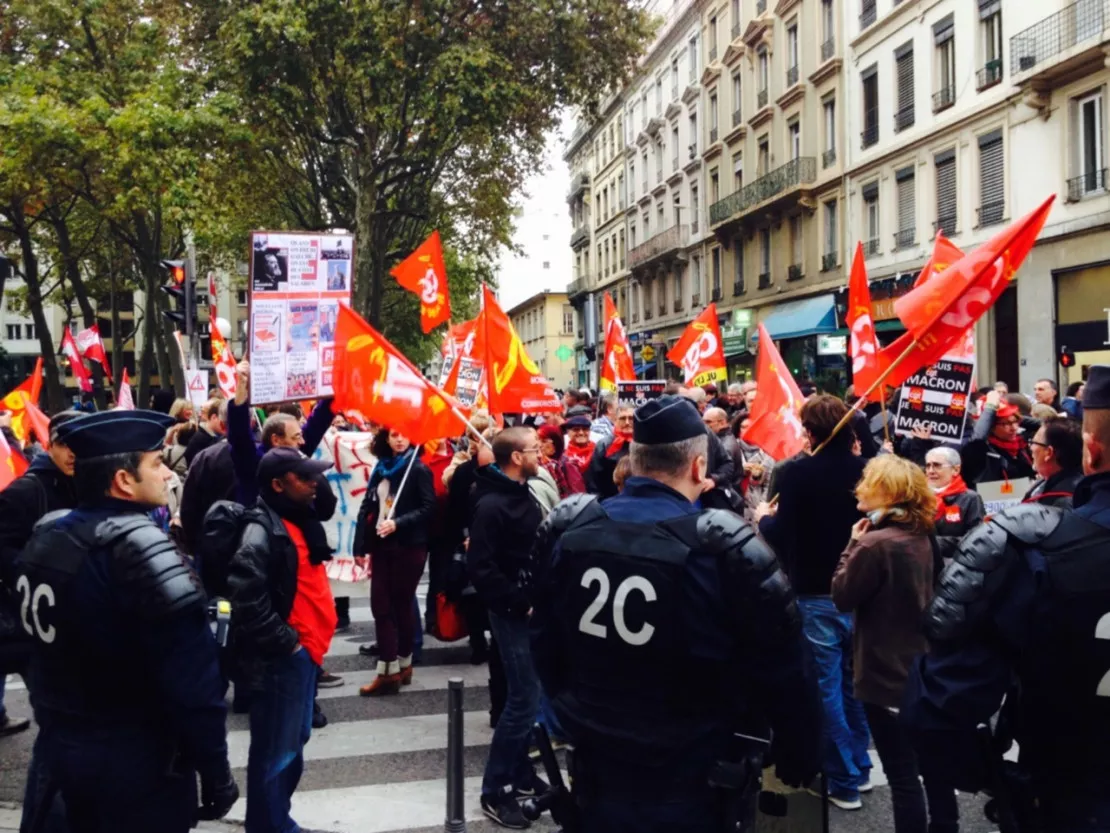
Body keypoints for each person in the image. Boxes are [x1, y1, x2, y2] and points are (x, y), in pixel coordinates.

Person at [531, 395, 822, 833]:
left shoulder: (574, 530)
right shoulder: (721, 548)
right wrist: (800, 751)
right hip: (689, 771)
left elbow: (544, 640)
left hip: (597, 758)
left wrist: (575, 709)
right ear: (698, 468)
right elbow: (784, 666)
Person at [904, 364, 1110, 831]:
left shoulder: (1032, 547)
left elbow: (937, 710)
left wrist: (998, 777)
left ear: (1090, 451)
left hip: (1067, 792)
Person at [14, 410, 237, 833]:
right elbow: (195, 689)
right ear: (122, 481)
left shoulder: (47, 535)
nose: (168, 477)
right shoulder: (142, 552)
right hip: (134, 768)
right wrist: (215, 771)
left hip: (59, 752)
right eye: (155, 464)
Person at [754, 395, 871, 810]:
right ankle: (859, 764)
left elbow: (781, 534)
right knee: (853, 686)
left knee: (826, 689)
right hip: (859, 593)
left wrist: (763, 518)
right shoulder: (867, 471)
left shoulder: (799, 475)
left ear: (810, 431)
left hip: (816, 592)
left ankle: (844, 779)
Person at [831, 456, 958, 833]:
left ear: (887, 490)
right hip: (925, 667)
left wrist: (851, 545)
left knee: (902, 774)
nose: (860, 487)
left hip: (883, 671)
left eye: (868, 481)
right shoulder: (923, 534)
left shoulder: (873, 544)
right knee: (933, 767)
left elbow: (841, 595)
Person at [227, 447, 336, 833]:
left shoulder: (297, 516)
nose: (313, 484)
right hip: (285, 657)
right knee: (278, 751)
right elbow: (244, 594)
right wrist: (286, 641)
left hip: (305, 652)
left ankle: (273, 821)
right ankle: (269, 827)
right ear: (277, 484)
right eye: (304, 478)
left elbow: (325, 499)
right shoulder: (261, 528)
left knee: (293, 743)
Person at [468, 427, 548, 828]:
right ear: (516, 458)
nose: (541, 454)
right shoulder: (492, 505)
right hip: (514, 613)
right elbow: (481, 568)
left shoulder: (522, 494)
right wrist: (521, 602)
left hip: (529, 608)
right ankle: (495, 788)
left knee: (529, 699)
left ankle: (518, 771)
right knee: (523, 701)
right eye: (534, 449)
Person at [353, 429, 436, 695]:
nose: (400, 439)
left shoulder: (418, 469)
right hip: (382, 544)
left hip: (408, 545)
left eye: (404, 435)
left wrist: (398, 523)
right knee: (381, 606)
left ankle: (396, 667)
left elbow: (428, 508)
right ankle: (395, 666)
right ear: (385, 439)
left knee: (399, 605)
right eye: (394, 435)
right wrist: (359, 545)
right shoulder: (381, 467)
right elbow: (368, 505)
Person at [960, 389, 1035, 486]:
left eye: (1015, 422)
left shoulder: (1020, 443)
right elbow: (978, 440)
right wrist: (990, 408)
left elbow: (1044, 424)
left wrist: (1012, 415)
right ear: (991, 427)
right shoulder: (983, 450)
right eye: (1006, 424)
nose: (1014, 428)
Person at [925, 445, 984, 559]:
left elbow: (976, 539)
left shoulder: (970, 499)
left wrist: (934, 544)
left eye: (937, 466)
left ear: (955, 470)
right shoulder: (917, 497)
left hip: (954, 566)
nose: (931, 471)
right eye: (928, 466)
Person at [1024, 417, 1084, 508]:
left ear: (1048, 452)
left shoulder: (1064, 502)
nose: (1031, 448)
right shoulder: (1050, 479)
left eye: (1034, 442)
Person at [585, 404, 634, 499]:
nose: (627, 422)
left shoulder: (645, 443)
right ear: (615, 421)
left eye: (631, 418)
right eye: (623, 418)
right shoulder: (604, 445)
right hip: (610, 500)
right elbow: (594, 479)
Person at [536, 424, 586, 498]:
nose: (539, 445)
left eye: (544, 441)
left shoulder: (567, 464)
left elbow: (579, 496)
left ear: (556, 444)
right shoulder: (540, 463)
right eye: (537, 440)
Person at [184, 398, 228, 466]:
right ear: (214, 417)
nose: (226, 424)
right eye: (224, 419)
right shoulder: (201, 438)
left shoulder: (217, 437)